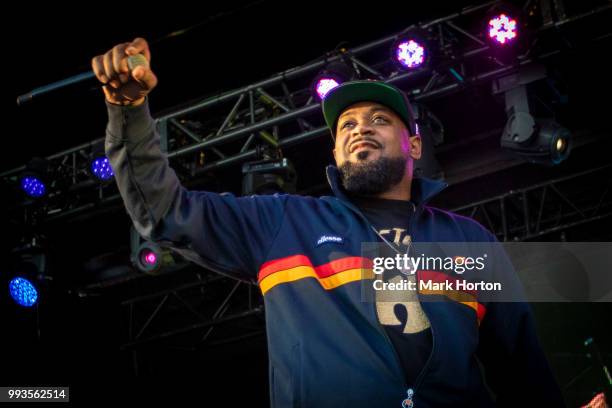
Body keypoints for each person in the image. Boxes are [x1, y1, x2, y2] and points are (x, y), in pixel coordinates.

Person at [93, 37, 566, 407]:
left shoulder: (468, 241)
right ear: (336, 153)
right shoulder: (284, 223)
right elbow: (164, 212)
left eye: (379, 119)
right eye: (346, 126)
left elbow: (526, 375)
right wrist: (129, 112)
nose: (360, 127)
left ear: (415, 147)